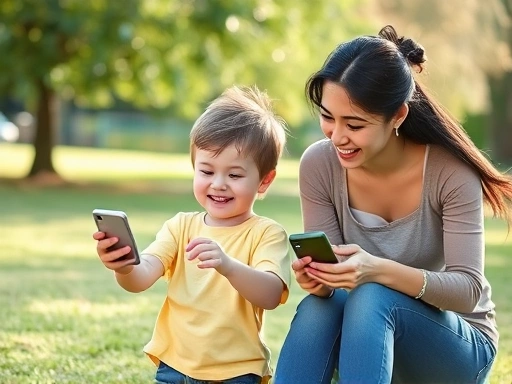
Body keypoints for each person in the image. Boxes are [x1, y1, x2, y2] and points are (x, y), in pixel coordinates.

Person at [274, 25, 512, 384]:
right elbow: (336, 289)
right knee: (318, 308)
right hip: (366, 342)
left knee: (372, 296)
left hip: (454, 348)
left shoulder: (450, 172)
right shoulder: (319, 165)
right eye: (327, 117)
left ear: (397, 116)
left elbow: (467, 291)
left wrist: (375, 270)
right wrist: (320, 279)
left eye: (354, 124)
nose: (338, 136)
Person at [93, 85, 291, 384]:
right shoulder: (181, 226)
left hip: (236, 371)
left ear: (264, 181)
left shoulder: (266, 234)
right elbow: (140, 278)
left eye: (235, 175)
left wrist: (228, 265)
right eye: (207, 171)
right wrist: (123, 265)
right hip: (174, 365)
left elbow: (271, 295)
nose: (219, 184)